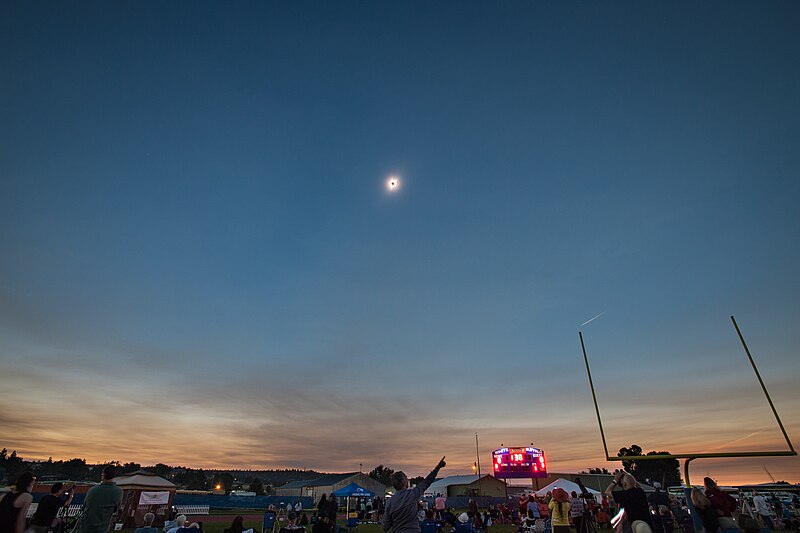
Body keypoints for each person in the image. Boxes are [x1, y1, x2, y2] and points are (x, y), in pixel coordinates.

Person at [383, 457, 446, 533]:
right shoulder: (412, 494)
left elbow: (385, 527)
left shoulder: (389, 502)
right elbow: (427, 482)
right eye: (406, 479)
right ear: (404, 482)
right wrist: (437, 468)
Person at [79, 465, 123, 533]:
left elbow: (85, 506)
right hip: (102, 528)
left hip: (86, 527)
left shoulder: (92, 490)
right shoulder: (118, 491)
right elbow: (116, 509)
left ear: (103, 475)